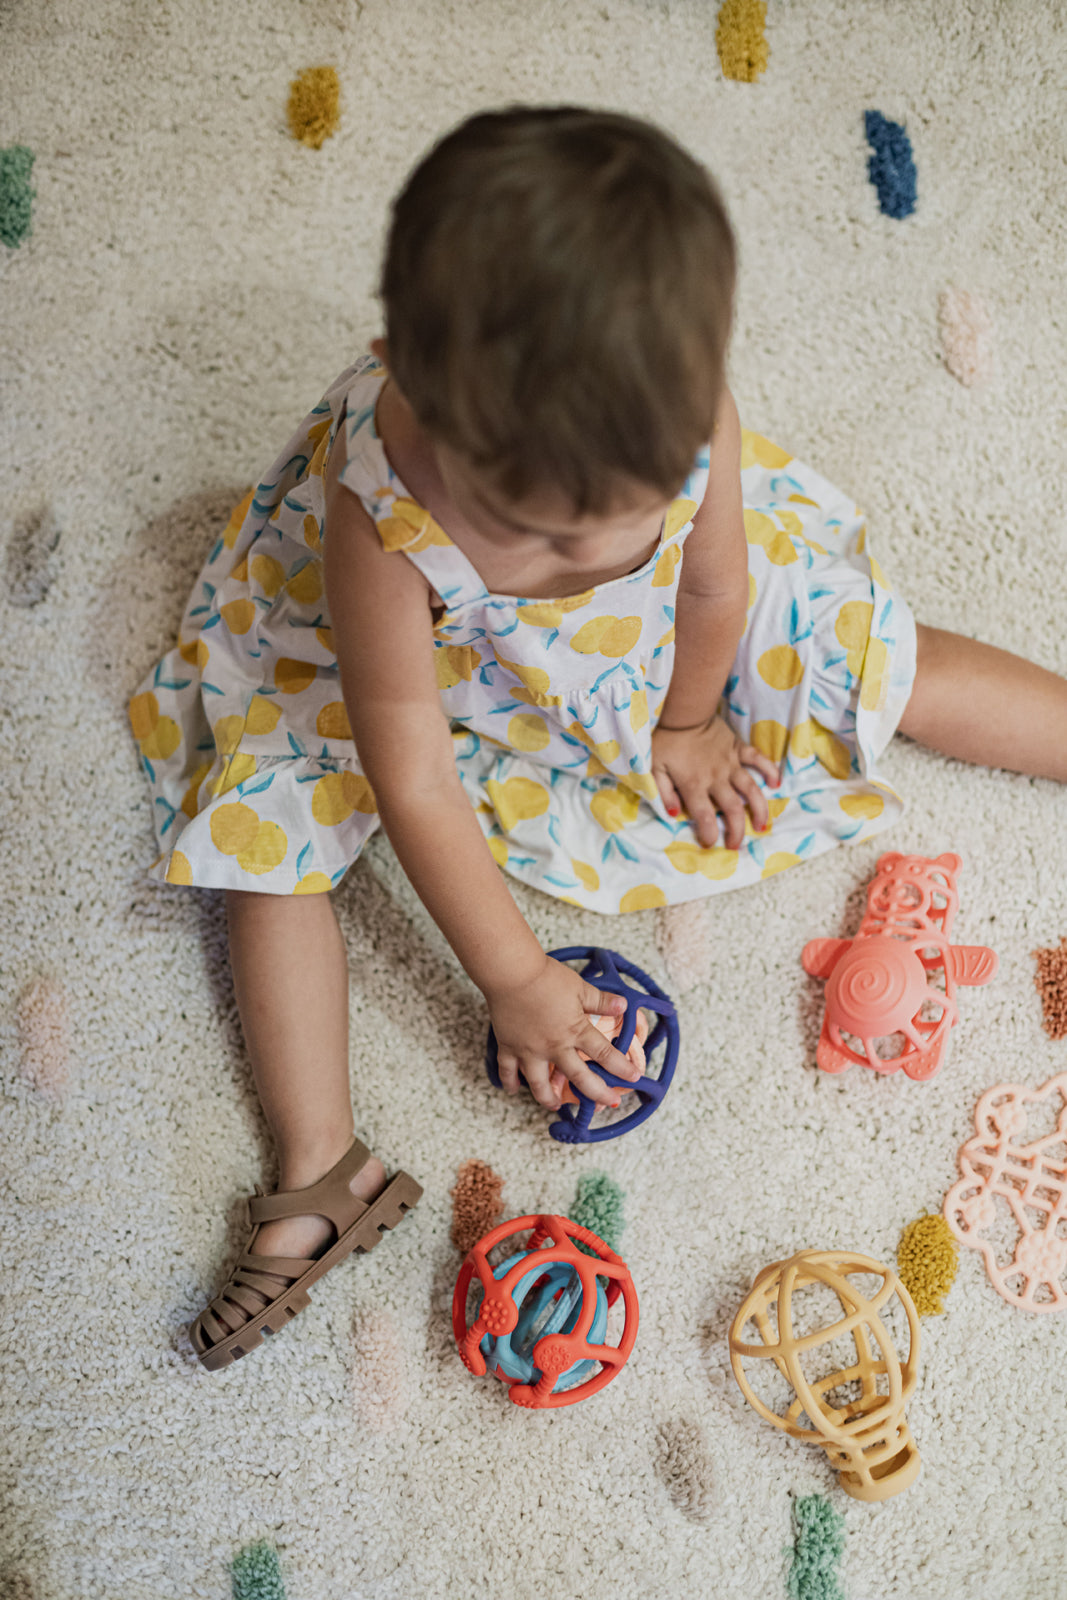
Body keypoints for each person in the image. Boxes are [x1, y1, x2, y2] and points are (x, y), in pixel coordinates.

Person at [129, 105, 1067, 1371]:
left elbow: (712, 588)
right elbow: (404, 766)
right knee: (267, 814)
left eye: (603, 527)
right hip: (419, 674)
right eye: (544, 533)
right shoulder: (378, 521)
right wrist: (512, 977)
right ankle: (320, 1161)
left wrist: (687, 723)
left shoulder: (684, 421)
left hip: (651, 656)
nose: (576, 558)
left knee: (851, 644)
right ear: (402, 362)